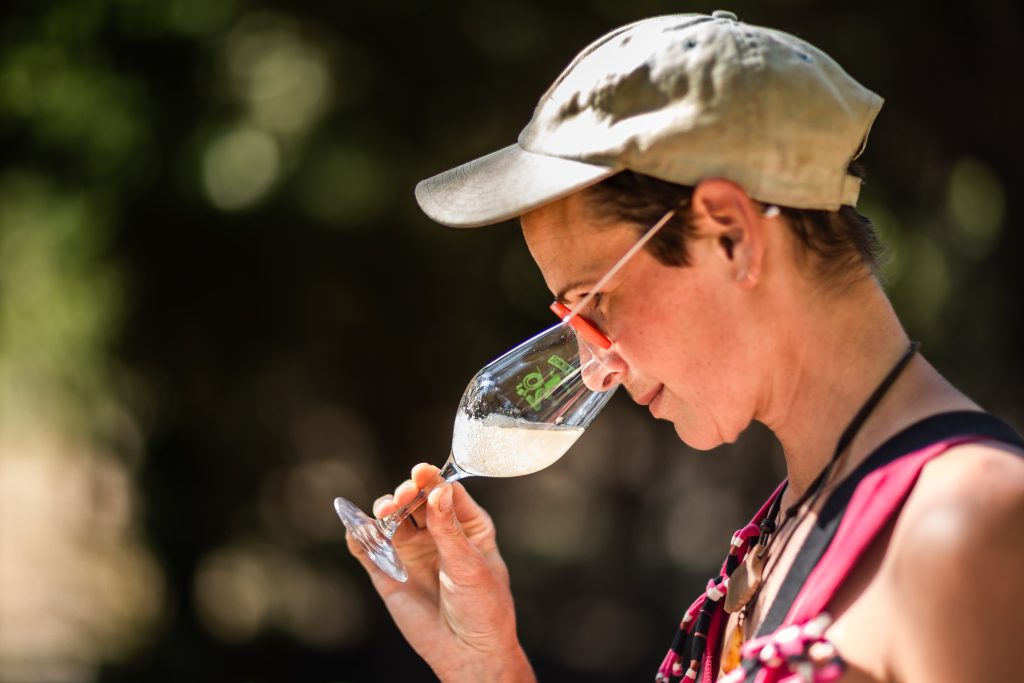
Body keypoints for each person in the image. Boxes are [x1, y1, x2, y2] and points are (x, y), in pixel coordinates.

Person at [346, 11, 1024, 682]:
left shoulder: (971, 526)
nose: (594, 365)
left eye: (595, 303)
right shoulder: (786, 526)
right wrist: (489, 667)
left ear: (730, 234)